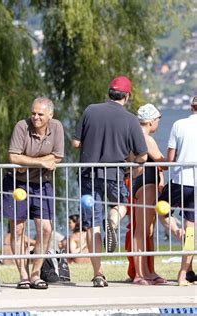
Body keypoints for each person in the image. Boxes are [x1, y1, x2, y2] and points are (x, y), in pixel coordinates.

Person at [72, 76, 148, 287]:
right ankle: (113, 220)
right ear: (127, 96)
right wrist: (133, 163)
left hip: (88, 174)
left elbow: (76, 142)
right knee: (122, 205)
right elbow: (142, 154)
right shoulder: (131, 119)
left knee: (91, 224)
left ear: (109, 93)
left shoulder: (90, 110)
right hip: (114, 174)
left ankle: (98, 273)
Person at [3, 97, 64, 290]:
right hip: (16, 183)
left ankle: (36, 273)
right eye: (33, 113)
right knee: (18, 229)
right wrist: (40, 162)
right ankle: (23, 274)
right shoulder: (22, 126)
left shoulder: (57, 127)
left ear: (50, 115)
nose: (35, 117)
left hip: (42, 184)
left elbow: (58, 156)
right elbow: (13, 156)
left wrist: (27, 161)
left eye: (40, 114)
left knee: (46, 229)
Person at [126, 104, 168, 285]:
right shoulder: (147, 139)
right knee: (142, 230)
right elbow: (164, 163)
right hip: (146, 184)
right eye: (158, 120)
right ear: (151, 121)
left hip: (135, 184)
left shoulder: (130, 136)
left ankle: (147, 271)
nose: (158, 123)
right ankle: (141, 274)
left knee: (145, 230)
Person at [159, 96, 197, 286]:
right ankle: (184, 273)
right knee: (191, 228)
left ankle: (176, 231)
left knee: (160, 209)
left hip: (180, 180)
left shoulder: (179, 124)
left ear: (191, 107)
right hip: (196, 183)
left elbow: (170, 158)